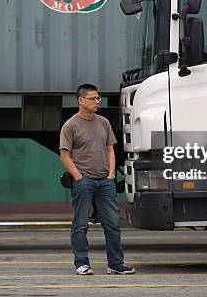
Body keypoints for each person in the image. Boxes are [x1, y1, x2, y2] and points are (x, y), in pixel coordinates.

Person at [59, 84, 136, 275]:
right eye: (93, 98)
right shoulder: (70, 125)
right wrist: (78, 178)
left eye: (98, 98)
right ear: (81, 100)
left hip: (105, 182)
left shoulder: (104, 122)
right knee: (80, 225)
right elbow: (65, 155)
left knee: (113, 224)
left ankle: (115, 264)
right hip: (84, 182)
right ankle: (82, 264)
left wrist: (111, 176)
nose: (97, 101)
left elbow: (110, 149)